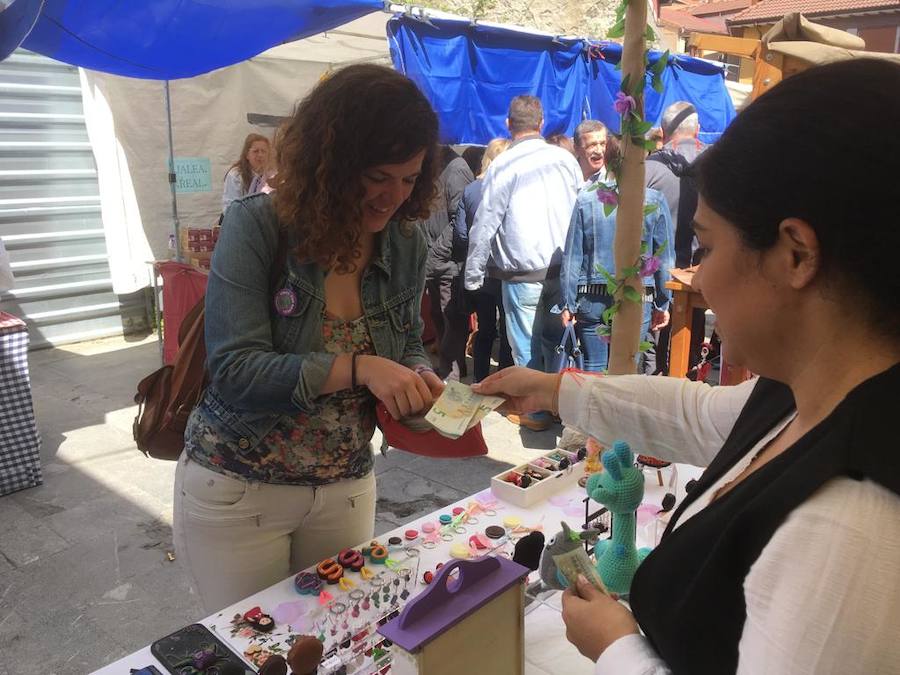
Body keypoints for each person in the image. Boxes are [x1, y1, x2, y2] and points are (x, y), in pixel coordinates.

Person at [473, 59, 900, 674]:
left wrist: (616, 645)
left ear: (796, 254)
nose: (696, 277)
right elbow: (697, 415)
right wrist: (552, 388)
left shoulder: (849, 529)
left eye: (706, 246)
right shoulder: (808, 391)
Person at [173, 64, 445, 613]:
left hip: (345, 488)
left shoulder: (406, 242)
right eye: (378, 176)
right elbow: (236, 370)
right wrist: (361, 367)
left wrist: (417, 375)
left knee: (334, 647)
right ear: (334, 162)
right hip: (239, 487)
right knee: (253, 655)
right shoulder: (258, 226)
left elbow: (407, 340)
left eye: (411, 178)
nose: (394, 197)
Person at [464, 95, 581, 430]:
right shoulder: (565, 160)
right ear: (541, 123)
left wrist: (472, 278)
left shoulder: (503, 164)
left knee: (526, 347)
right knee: (555, 342)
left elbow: (485, 224)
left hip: (520, 274)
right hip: (562, 270)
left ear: (508, 125)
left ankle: (536, 411)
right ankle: (557, 406)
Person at [560, 136, 674, 372]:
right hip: (638, 294)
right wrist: (663, 302)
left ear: (607, 160)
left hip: (592, 295)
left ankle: (592, 410)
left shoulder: (586, 199)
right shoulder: (653, 200)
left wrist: (568, 303)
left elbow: (573, 256)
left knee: (594, 367)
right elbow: (663, 258)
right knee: (629, 366)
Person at [452, 138, 514, 382]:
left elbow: (460, 235)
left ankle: (479, 381)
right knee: (508, 332)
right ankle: (504, 382)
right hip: (506, 270)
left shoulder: (470, 190)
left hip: (479, 271)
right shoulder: (512, 186)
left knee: (485, 329)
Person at [420, 146, 475, 380]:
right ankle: (447, 367)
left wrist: (436, 253)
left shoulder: (456, 169)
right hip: (433, 259)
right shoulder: (435, 167)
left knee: (450, 315)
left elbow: (461, 221)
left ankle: (452, 370)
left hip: (448, 260)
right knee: (438, 314)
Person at [222, 133, 270, 212]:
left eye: (263, 151)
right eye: (256, 151)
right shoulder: (235, 175)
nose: (260, 155)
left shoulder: (271, 175)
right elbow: (230, 207)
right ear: (247, 155)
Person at [573, 120, 608, 184]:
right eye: (592, 145)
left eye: (603, 144)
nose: (599, 151)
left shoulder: (613, 179)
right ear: (576, 148)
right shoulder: (567, 175)